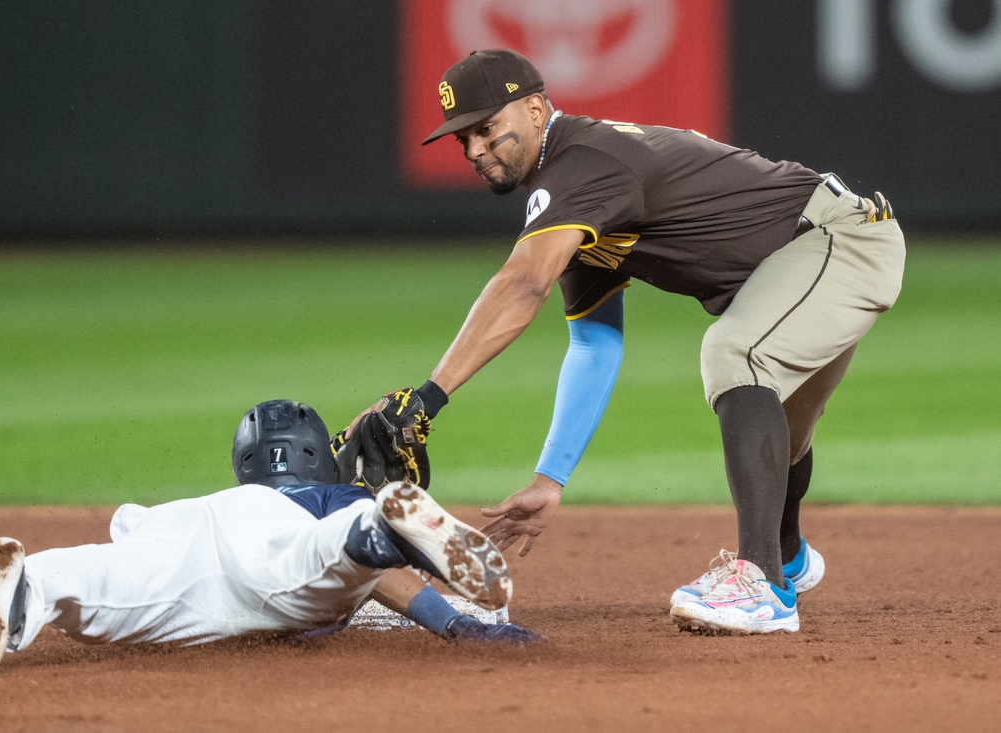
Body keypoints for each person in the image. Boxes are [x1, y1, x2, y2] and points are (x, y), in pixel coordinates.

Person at [363, 49, 904, 634]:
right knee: (784, 422)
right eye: (462, 138)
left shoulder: (581, 165)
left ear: (537, 108)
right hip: (806, 257)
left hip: (836, 240)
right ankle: (788, 556)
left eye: (487, 128)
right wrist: (550, 479)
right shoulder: (574, 193)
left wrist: (429, 397)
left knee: (737, 355)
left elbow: (522, 284)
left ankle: (763, 585)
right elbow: (594, 343)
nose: (473, 150)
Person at [0, 399, 539, 678]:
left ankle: (23, 587)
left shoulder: (226, 495)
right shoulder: (324, 495)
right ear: (315, 456)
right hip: (271, 551)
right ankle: (382, 530)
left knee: (101, 584)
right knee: (328, 559)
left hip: (176, 524)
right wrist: (456, 623)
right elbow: (382, 584)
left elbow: (127, 527)